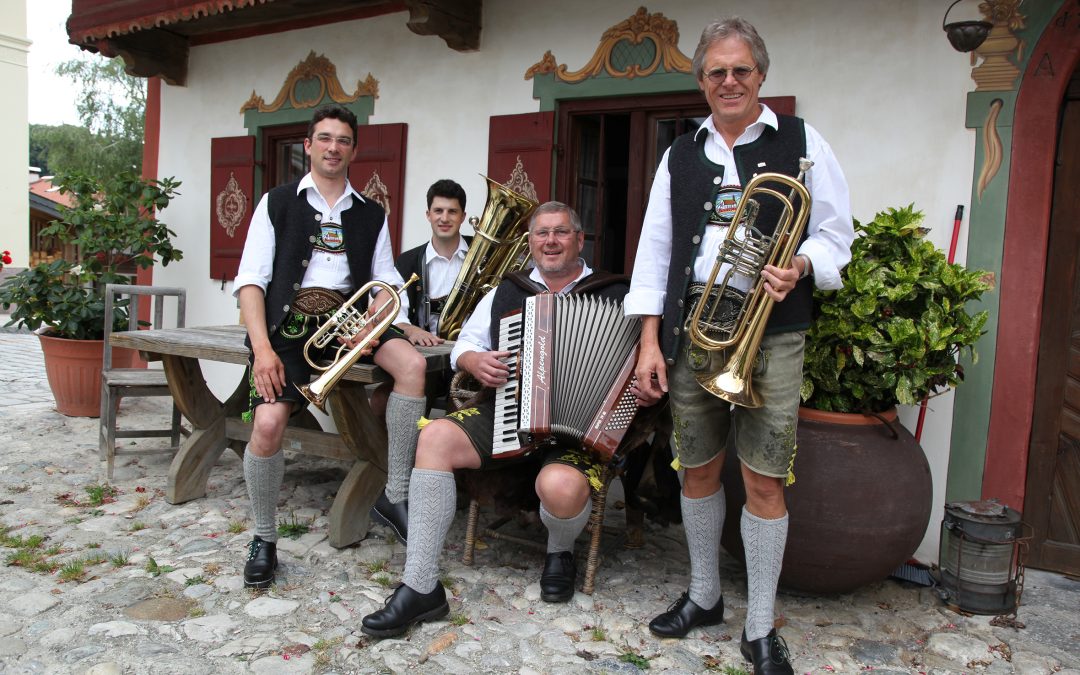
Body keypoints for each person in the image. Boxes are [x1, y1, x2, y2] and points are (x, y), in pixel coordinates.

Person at [624, 17, 854, 675]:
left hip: (772, 327)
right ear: (701, 80)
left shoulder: (805, 142)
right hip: (695, 322)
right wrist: (648, 340)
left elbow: (837, 234)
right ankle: (703, 595)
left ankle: (759, 627)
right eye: (716, 71)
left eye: (741, 70)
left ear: (761, 77)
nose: (729, 81)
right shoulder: (678, 153)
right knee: (695, 465)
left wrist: (801, 265)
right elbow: (656, 251)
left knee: (762, 474)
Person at [360, 202, 628, 638]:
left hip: (577, 430)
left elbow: (638, 360)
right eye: (542, 234)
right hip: (508, 411)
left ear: (580, 240)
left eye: (561, 232)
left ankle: (560, 551)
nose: (551, 241)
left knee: (559, 489)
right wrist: (475, 359)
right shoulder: (511, 289)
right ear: (531, 242)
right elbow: (463, 343)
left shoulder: (615, 294)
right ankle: (420, 585)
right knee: (436, 439)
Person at [233, 103, 428, 589]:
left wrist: (373, 321)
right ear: (308, 145)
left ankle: (395, 493)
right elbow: (251, 283)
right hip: (290, 324)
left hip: (351, 319)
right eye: (324, 138)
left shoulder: (371, 213)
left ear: (353, 149)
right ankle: (263, 536)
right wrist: (262, 350)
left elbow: (384, 281)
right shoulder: (277, 202)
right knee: (269, 423)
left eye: (342, 140)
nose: (333, 147)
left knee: (412, 366)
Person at [393, 179, 472, 346]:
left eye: (452, 211)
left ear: (463, 216)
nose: (444, 218)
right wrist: (412, 330)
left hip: (476, 350)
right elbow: (395, 313)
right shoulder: (406, 262)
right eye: (438, 211)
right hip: (426, 351)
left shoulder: (485, 253)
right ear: (428, 215)